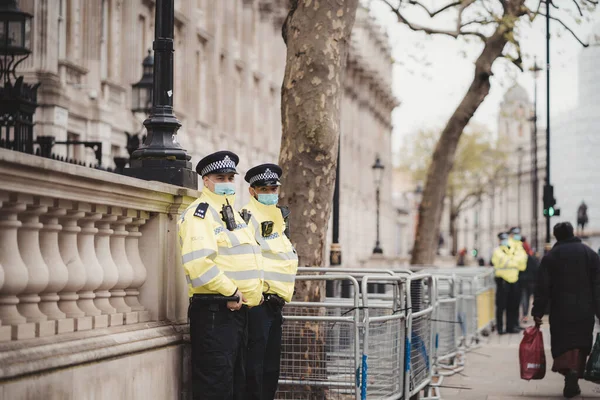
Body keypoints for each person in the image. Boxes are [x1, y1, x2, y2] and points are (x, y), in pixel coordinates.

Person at [178, 151, 264, 400]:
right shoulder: (200, 214)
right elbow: (199, 264)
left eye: (230, 177)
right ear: (205, 180)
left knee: (236, 385)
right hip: (215, 312)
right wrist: (233, 291)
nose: (226, 182)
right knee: (215, 386)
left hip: (237, 314)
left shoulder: (233, 216)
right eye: (220, 177)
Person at [242, 164, 298, 400]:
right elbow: (246, 258)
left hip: (276, 305)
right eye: (264, 189)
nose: (270, 192)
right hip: (259, 304)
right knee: (254, 368)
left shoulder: (278, 215)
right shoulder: (246, 216)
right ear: (252, 191)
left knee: (271, 368)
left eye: (273, 188)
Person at [532, 222, 600, 398]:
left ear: (556, 236)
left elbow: (542, 288)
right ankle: (575, 373)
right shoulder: (590, 254)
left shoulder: (551, 257)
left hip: (561, 309)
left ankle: (568, 372)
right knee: (581, 341)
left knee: (563, 342)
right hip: (585, 309)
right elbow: (597, 286)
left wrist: (537, 312)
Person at [491, 232, 527, 334]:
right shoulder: (497, 251)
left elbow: (522, 264)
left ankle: (510, 327)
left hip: (513, 280)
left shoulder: (511, 250)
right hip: (502, 281)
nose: (505, 241)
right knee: (501, 306)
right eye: (503, 239)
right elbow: (506, 261)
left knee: (512, 305)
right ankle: (500, 328)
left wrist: (511, 261)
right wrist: (514, 262)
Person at [519, 236, 538, 324]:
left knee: (524, 298)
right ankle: (525, 315)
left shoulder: (520, 256)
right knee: (526, 298)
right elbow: (536, 269)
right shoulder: (531, 257)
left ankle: (524, 315)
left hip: (523, 281)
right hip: (530, 281)